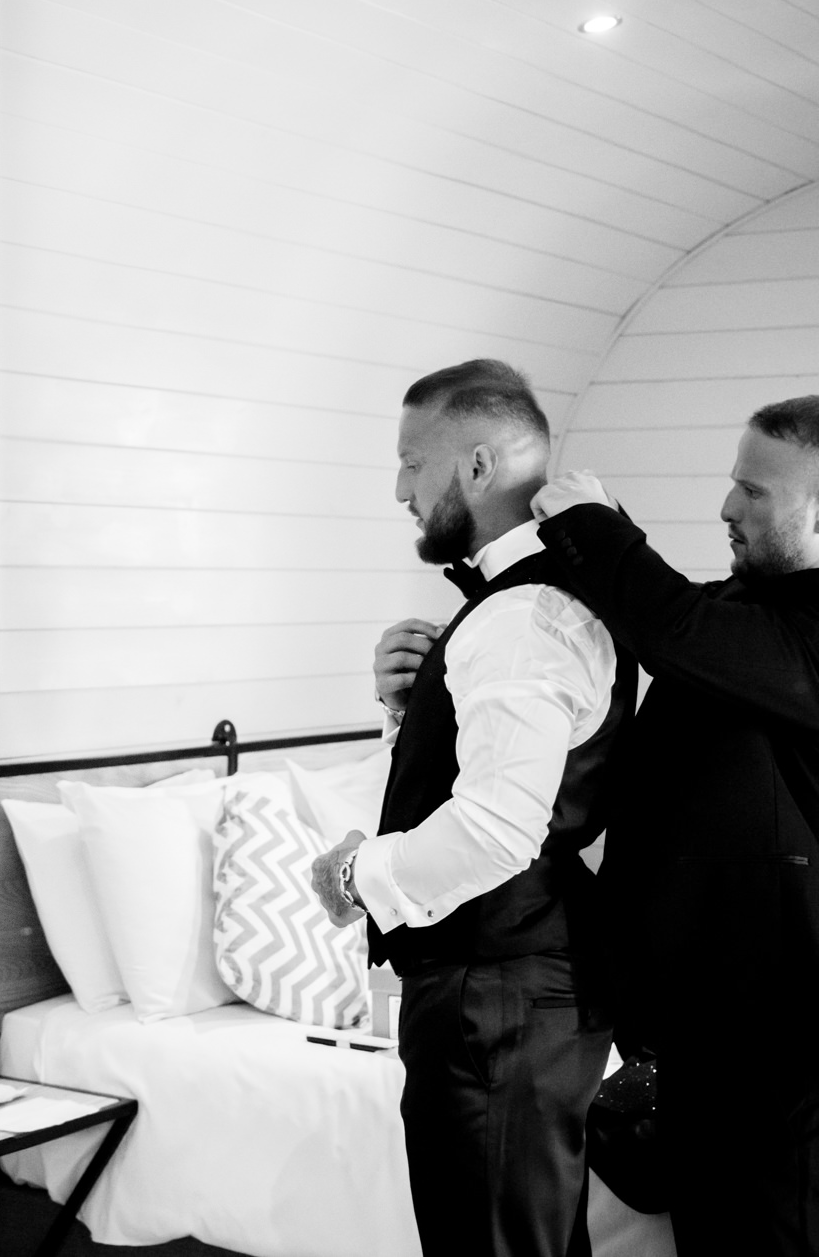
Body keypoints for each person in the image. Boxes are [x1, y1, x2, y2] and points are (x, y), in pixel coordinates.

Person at [530, 395, 819, 1257]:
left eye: (752, 490)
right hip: (715, 1046)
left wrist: (595, 523)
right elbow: (664, 624)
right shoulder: (756, 619)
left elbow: (676, 624)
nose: (726, 508)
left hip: (794, 1056)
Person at [308, 359, 635, 1257]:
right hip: (526, 984)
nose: (400, 488)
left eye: (415, 461)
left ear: (478, 467)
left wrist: (353, 872)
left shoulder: (519, 616)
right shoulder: (550, 595)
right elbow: (497, 781)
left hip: (494, 995)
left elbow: (496, 827)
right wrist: (408, 713)